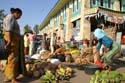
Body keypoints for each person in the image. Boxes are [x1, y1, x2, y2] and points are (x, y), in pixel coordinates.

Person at [3, 8, 26, 83]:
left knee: (9, 59)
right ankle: (13, 78)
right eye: (20, 15)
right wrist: (9, 41)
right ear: (17, 13)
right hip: (12, 41)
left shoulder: (10, 17)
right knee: (13, 59)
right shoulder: (11, 17)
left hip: (13, 40)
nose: (19, 17)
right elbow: (8, 30)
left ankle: (7, 77)